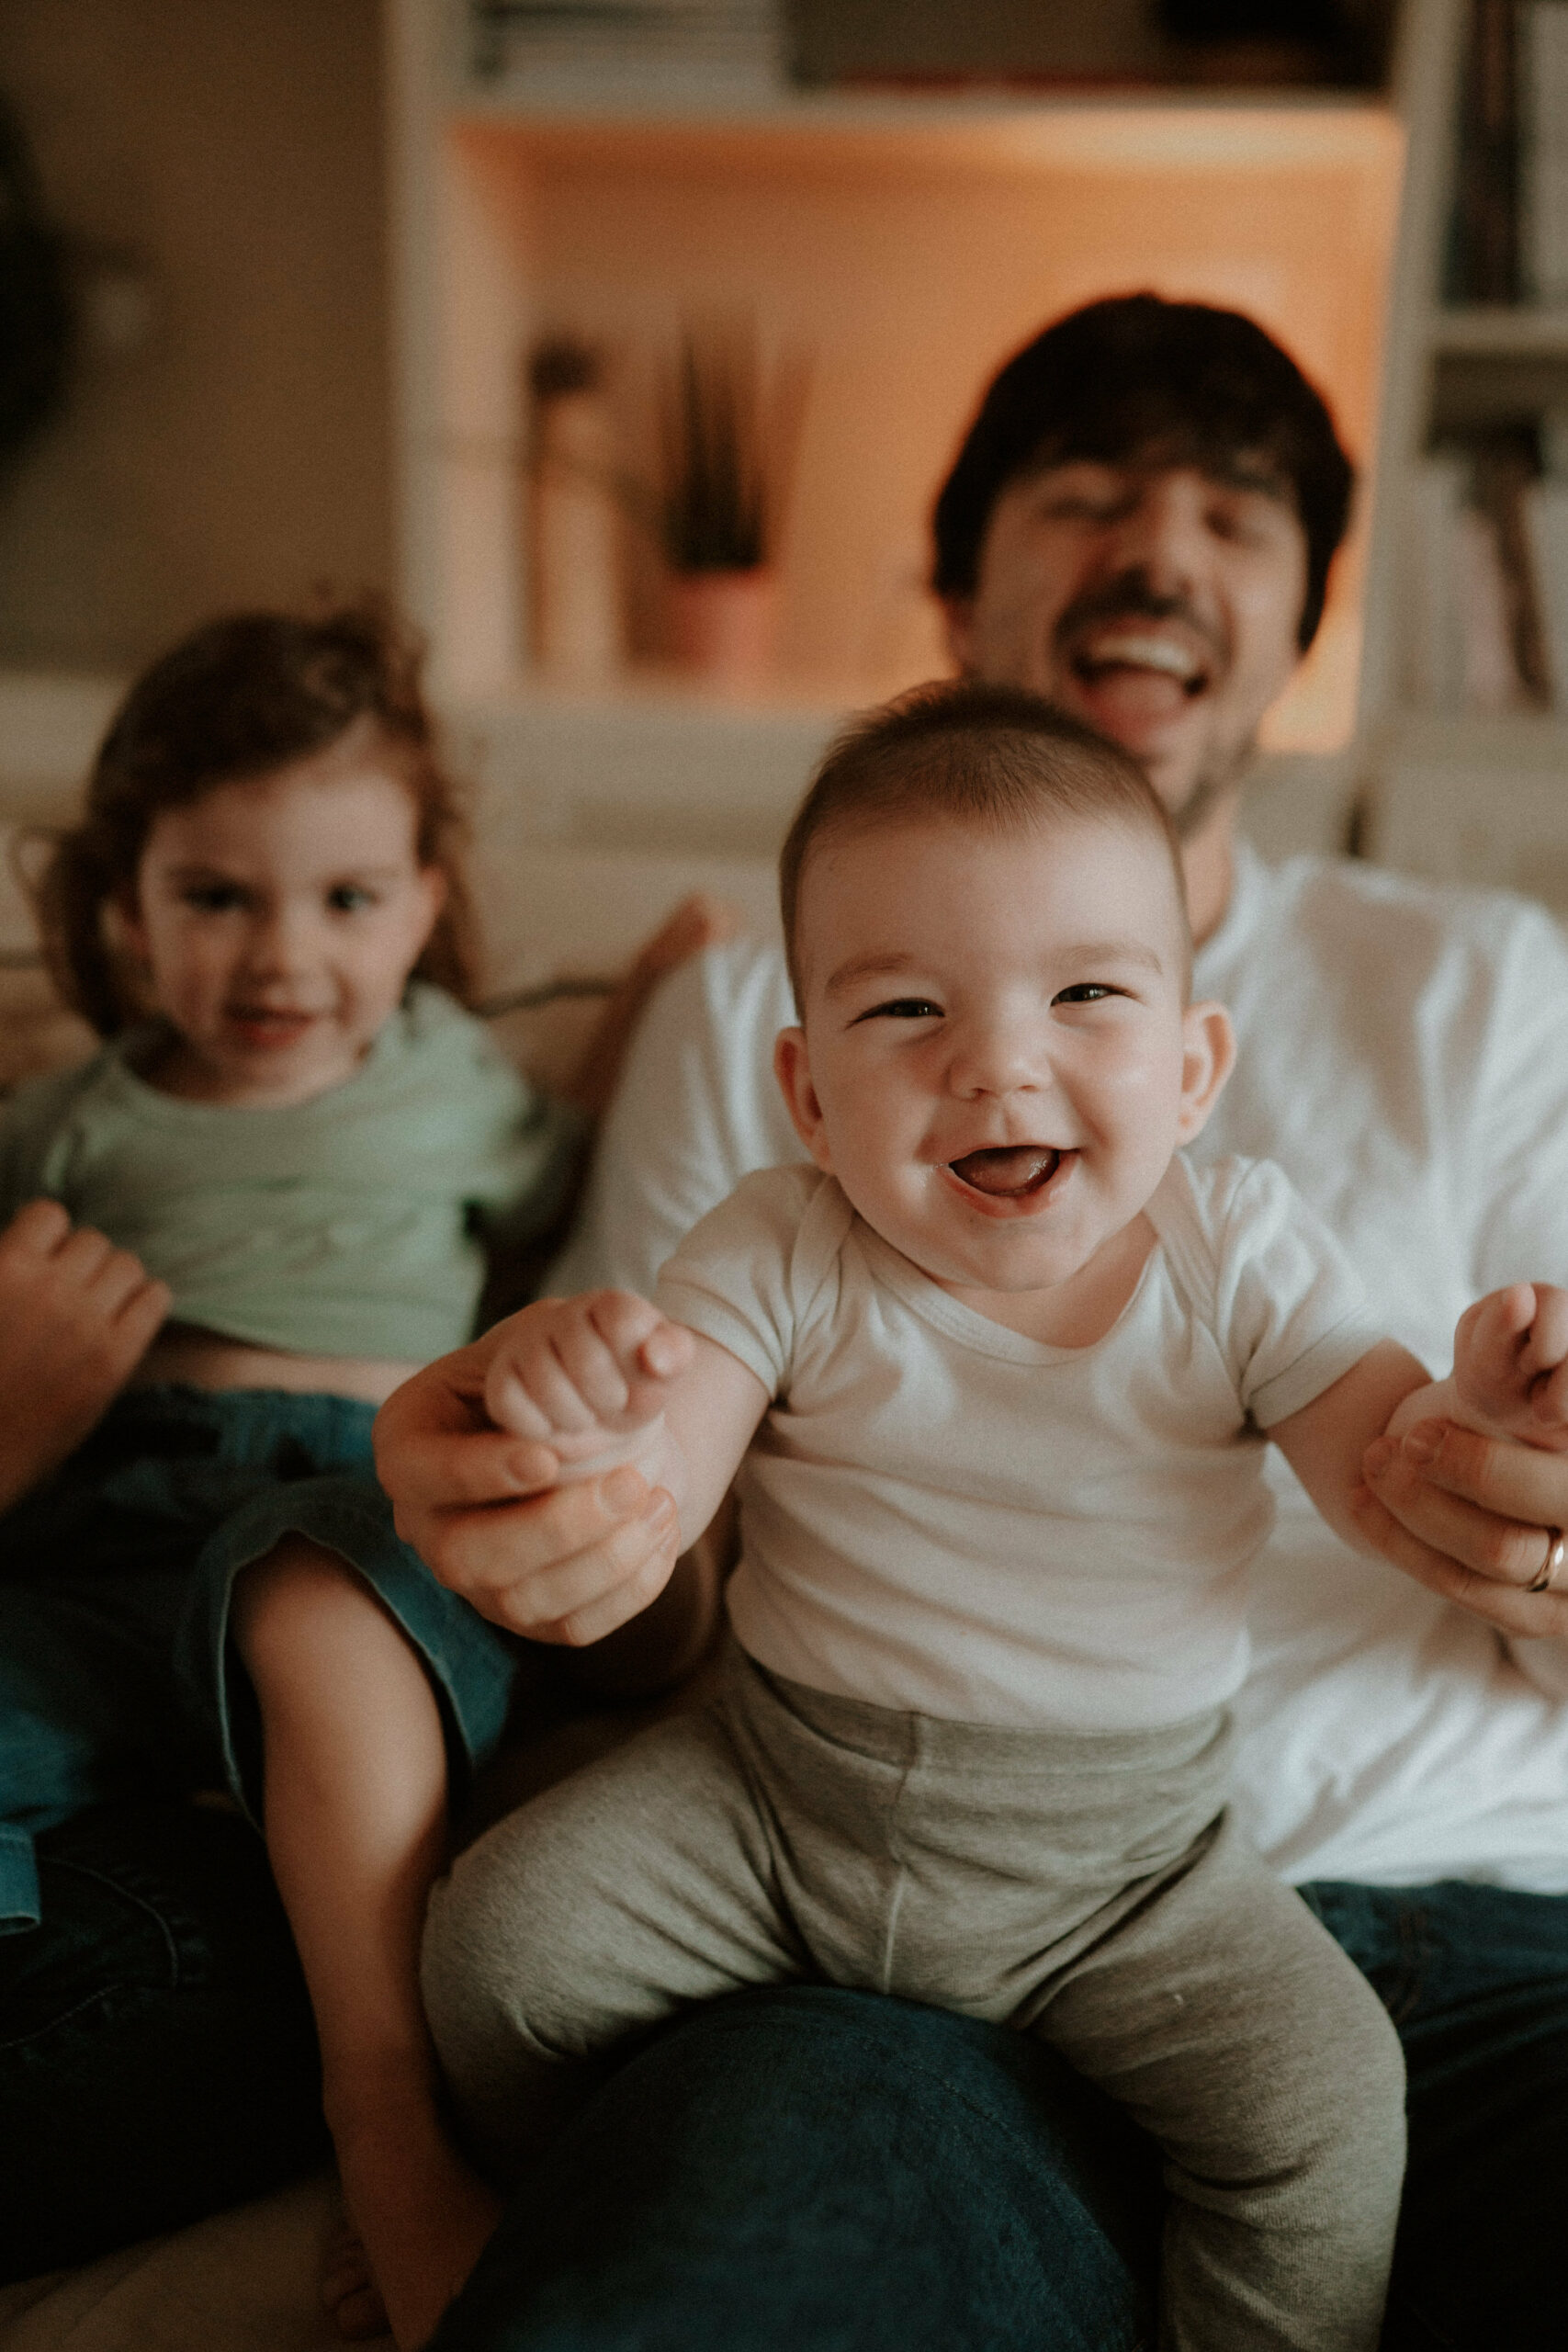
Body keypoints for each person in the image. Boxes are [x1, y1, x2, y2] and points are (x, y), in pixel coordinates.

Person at [377, 297, 1568, 2351]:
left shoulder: (1388, 1089)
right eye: (909, 1010)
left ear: (1200, 1065)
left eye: (1231, 510)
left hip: (1256, 1890)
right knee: (496, 1950)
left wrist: (1498, 1432)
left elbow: (1391, 1469)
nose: (997, 1069)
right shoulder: (780, 1217)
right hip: (793, 1859)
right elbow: (668, 1467)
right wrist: (578, 1469)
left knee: (1325, 2105)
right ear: (805, 1080)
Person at [0, 603, 723, 2343]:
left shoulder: (461, 1082)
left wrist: (644, 998)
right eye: (215, 897)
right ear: (124, 905)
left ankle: (388, 2131)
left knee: (311, 1605)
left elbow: (566, 1162)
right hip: (107, 1507)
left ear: (421, 904)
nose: (280, 958)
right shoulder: (70, 1119)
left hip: (351, 1495)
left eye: (344, 901)